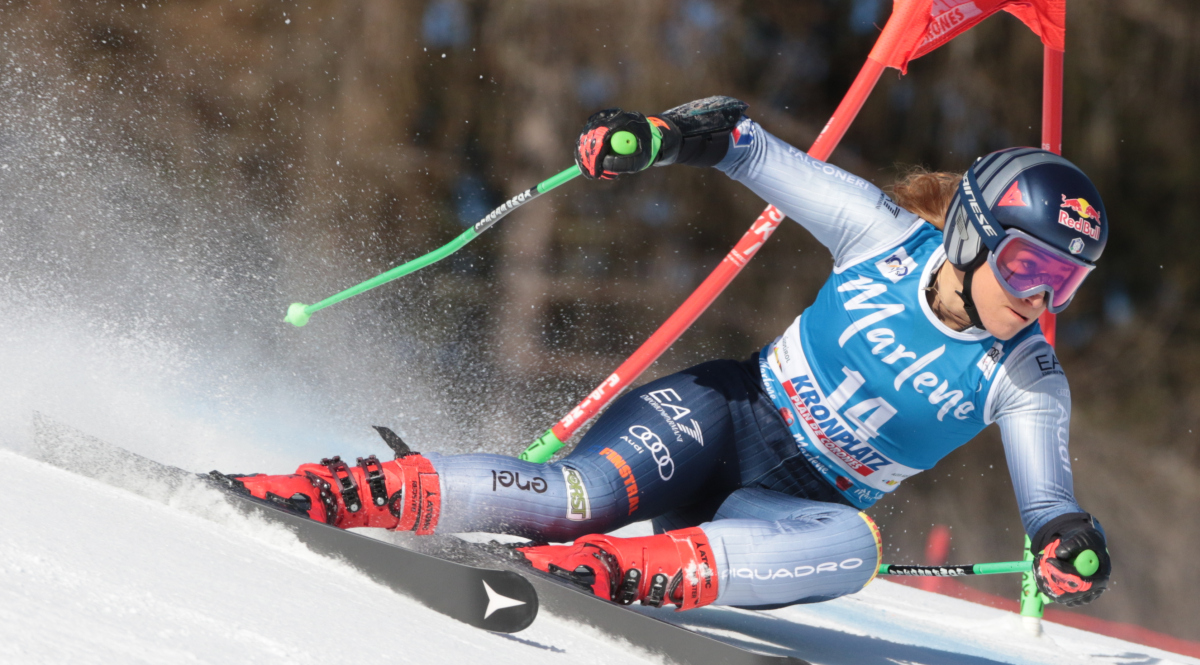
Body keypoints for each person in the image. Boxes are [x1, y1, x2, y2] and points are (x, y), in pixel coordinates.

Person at [221, 96, 1111, 612]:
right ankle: (362, 491)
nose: (1040, 299)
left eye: (1065, 285)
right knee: (584, 497)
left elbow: (1050, 505)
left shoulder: (1028, 379)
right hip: (722, 416)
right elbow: (742, 140)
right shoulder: (879, 236)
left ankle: (637, 573)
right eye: (1029, 264)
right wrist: (653, 138)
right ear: (969, 234)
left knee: (856, 549)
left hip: (783, 508)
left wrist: (1067, 546)